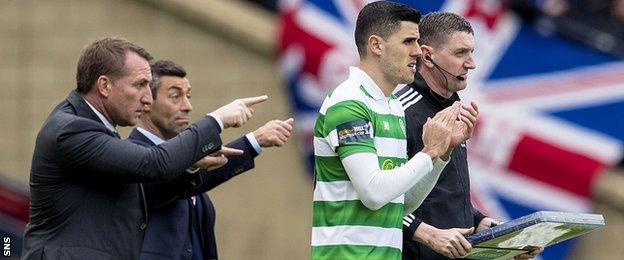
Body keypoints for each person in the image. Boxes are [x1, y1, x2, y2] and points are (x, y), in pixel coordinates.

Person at [22, 37, 266, 259]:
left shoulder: (94, 127)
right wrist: (217, 119)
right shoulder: (71, 129)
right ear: (104, 86)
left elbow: (139, 196)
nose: (148, 99)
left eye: (149, 87)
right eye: (139, 85)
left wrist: (191, 165)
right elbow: (154, 164)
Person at [310, 2, 475, 259]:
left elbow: (402, 202)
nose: (418, 52)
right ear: (376, 46)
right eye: (408, 41)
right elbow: (374, 194)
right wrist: (429, 152)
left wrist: (442, 154)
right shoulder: (349, 102)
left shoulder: (393, 107)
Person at [396, 12, 542, 259]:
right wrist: (429, 235)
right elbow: (379, 199)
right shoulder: (400, 112)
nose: (471, 63)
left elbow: (442, 196)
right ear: (427, 56)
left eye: (472, 52)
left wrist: (485, 225)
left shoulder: (454, 110)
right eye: (460, 53)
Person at [131, 59, 294, 260]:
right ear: (147, 101)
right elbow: (168, 178)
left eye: (188, 96)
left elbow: (196, 177)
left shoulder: (187, 164)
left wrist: (256, 140)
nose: (187, 106)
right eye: (175, 97)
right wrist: (246, 137)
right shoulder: (132, 156)